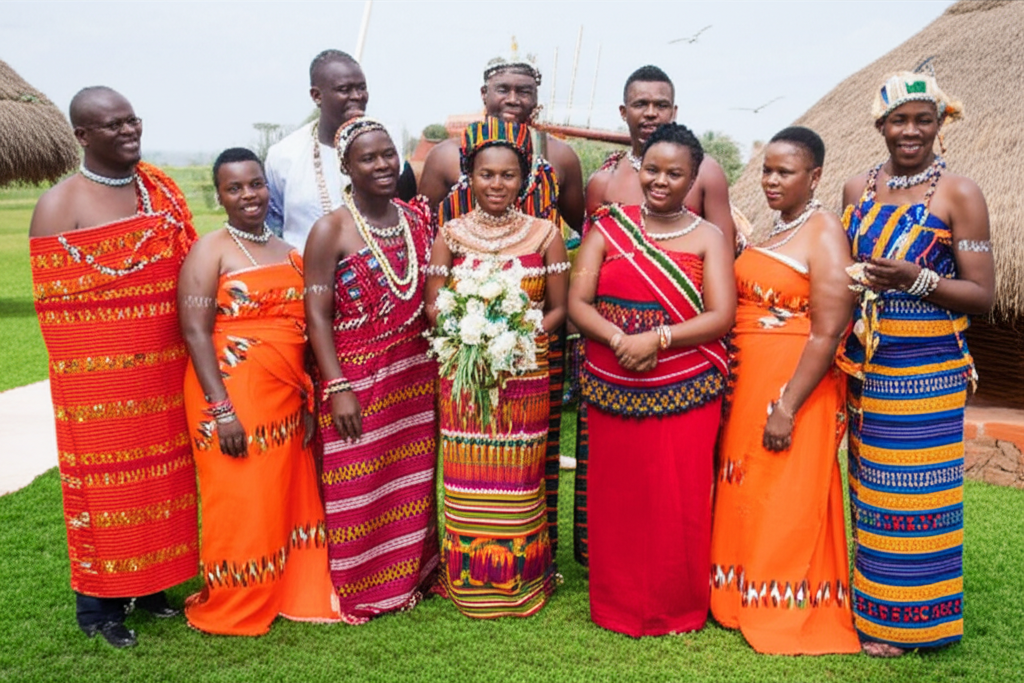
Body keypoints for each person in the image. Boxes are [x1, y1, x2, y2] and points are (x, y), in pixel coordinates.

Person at [28, 86, 199, 648]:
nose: (130, 132)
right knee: (107, 492)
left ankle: (153, 589)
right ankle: (98, 608)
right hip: (99, 387)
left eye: (133, 121)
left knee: (163, 483)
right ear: (82, 135)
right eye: (113, 125)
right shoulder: (60, 204)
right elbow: (58, 312)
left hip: (164, 372)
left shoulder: (157, 193)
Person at [838, 72, 993, 657]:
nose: (910, 131)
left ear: (939, 125)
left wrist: (918, 279)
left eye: (923, 119)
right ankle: (873, 609)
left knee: (917, 492)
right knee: (870, 487)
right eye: (898, 120)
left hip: (928, 365)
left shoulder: (960, 194)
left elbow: (982, 294)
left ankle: (912, 625)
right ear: (880, 125)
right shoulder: (858, 188)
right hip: (867, 361)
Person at [568, 123, 734, 636]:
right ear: (639, 169)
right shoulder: (607, 228)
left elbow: (721, 315)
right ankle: (615, 604)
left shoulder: (709, 237)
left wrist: (657, 339)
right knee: (618, 497)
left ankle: (676, 605)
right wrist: (622, 341)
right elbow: (578, 302)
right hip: (613, 384)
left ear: (694, 178)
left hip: (686, 386)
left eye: (675, 174)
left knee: (676, 497)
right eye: (652, 170)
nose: (660, 181)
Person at [420, 51, 584, 555]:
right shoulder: (446, 157)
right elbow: (427, 222)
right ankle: (467, 554)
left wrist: (521, 332)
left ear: (537, 98)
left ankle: (536, 549)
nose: (513, 99)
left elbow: (581, 220)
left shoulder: (560, 156)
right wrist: (462, 328)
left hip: (532, 329)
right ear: (484, 95)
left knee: (534, 446)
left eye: (524, 91)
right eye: (503, 90)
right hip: (463, 333)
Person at [708, 127, 860, 655]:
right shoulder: (776, 230)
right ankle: (736, 596)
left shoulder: (824, 233)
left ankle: (780, 602)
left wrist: (788, 406)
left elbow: (828, 330)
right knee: (749, 486)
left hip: (793, 388)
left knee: (787, 492)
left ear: (814, 176)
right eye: (767, 170)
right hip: (748, 382)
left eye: (784, 172)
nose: (771, 180)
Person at [177, 148, 341, 635]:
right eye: (235, 188)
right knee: (241, 497)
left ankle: (286, 587)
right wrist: (222, 410)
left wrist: (309, 398)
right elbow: (194, 331)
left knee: (280, 494)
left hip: (286, 392)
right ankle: (236, 599)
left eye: (255, 184)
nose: (248, 195)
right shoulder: (210, 250)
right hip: (229, 391)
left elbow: (306, 327)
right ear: (219, 194)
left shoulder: (287, 250)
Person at [425, 117, 569, 618]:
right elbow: (433, 305)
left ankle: (521, 580)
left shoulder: (545, 233)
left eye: (508, 176)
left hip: (525, 376)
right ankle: (467, 581)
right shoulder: (450, 233)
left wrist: (516, 339)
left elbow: (558, 310)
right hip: (464, 377)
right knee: (468, 477)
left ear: (525, 180)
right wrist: (473, 336)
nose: (497, 185)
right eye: (487, 175)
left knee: (518, 479)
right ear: (469, 177)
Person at [304, 118, 439, 623]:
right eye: (368, 158)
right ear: (347, 167)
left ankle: (413, 574)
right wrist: (336, 384)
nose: (383, 165)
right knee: (358, 479)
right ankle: (361, 584)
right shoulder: (331, 230)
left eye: (389, 155)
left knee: (411, 475)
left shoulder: (415, 218)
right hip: (356, 373)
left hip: (413, 370)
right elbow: (316, 315)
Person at [265, 50, 372, 250]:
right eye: (344, 89)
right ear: (316, 95)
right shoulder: (284, 156)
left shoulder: (388, 151)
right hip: (301, 276)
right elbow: (272, 230)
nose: (357, 96)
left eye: (361, 88)